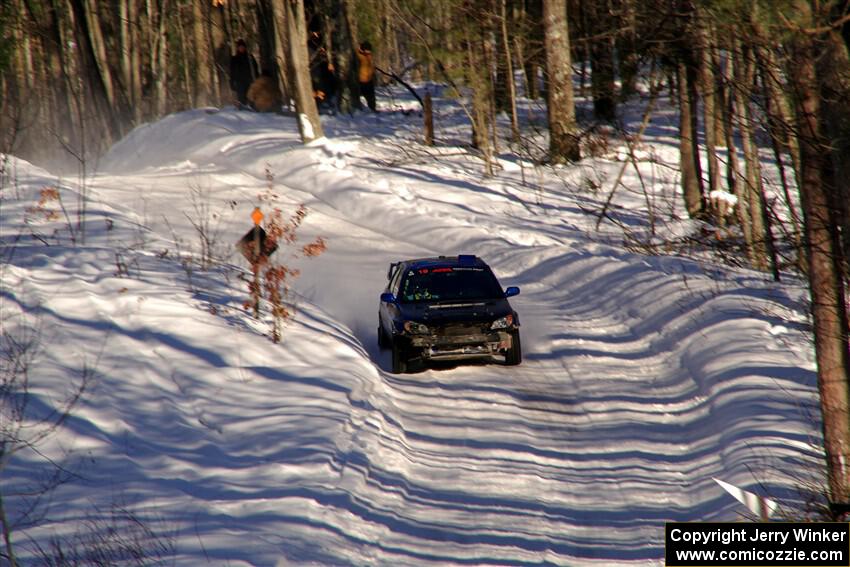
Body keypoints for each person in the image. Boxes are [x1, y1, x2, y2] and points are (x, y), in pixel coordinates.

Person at [230, 39, 259, 107]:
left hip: (249, 81)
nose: (241, 48)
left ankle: (253, 108)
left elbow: (255, 69)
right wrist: (231, 82)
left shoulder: (250, 58)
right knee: (241, 98)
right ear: (237, 48)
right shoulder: (234, 59)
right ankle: (242, 107)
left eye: (243, 47)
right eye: (240, 47)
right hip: (239, 82)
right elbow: (232, 72)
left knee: (251, 98)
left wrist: (257, 80)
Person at [357, 41, 376, 112]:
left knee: (371, 97)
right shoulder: (358, 56)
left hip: (369, 80)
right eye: (368, 50)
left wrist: (373, 74)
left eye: (370, 51)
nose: (369, 52)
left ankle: (372, 109)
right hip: (360, 80)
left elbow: (371, 66)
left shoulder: (369, 56)